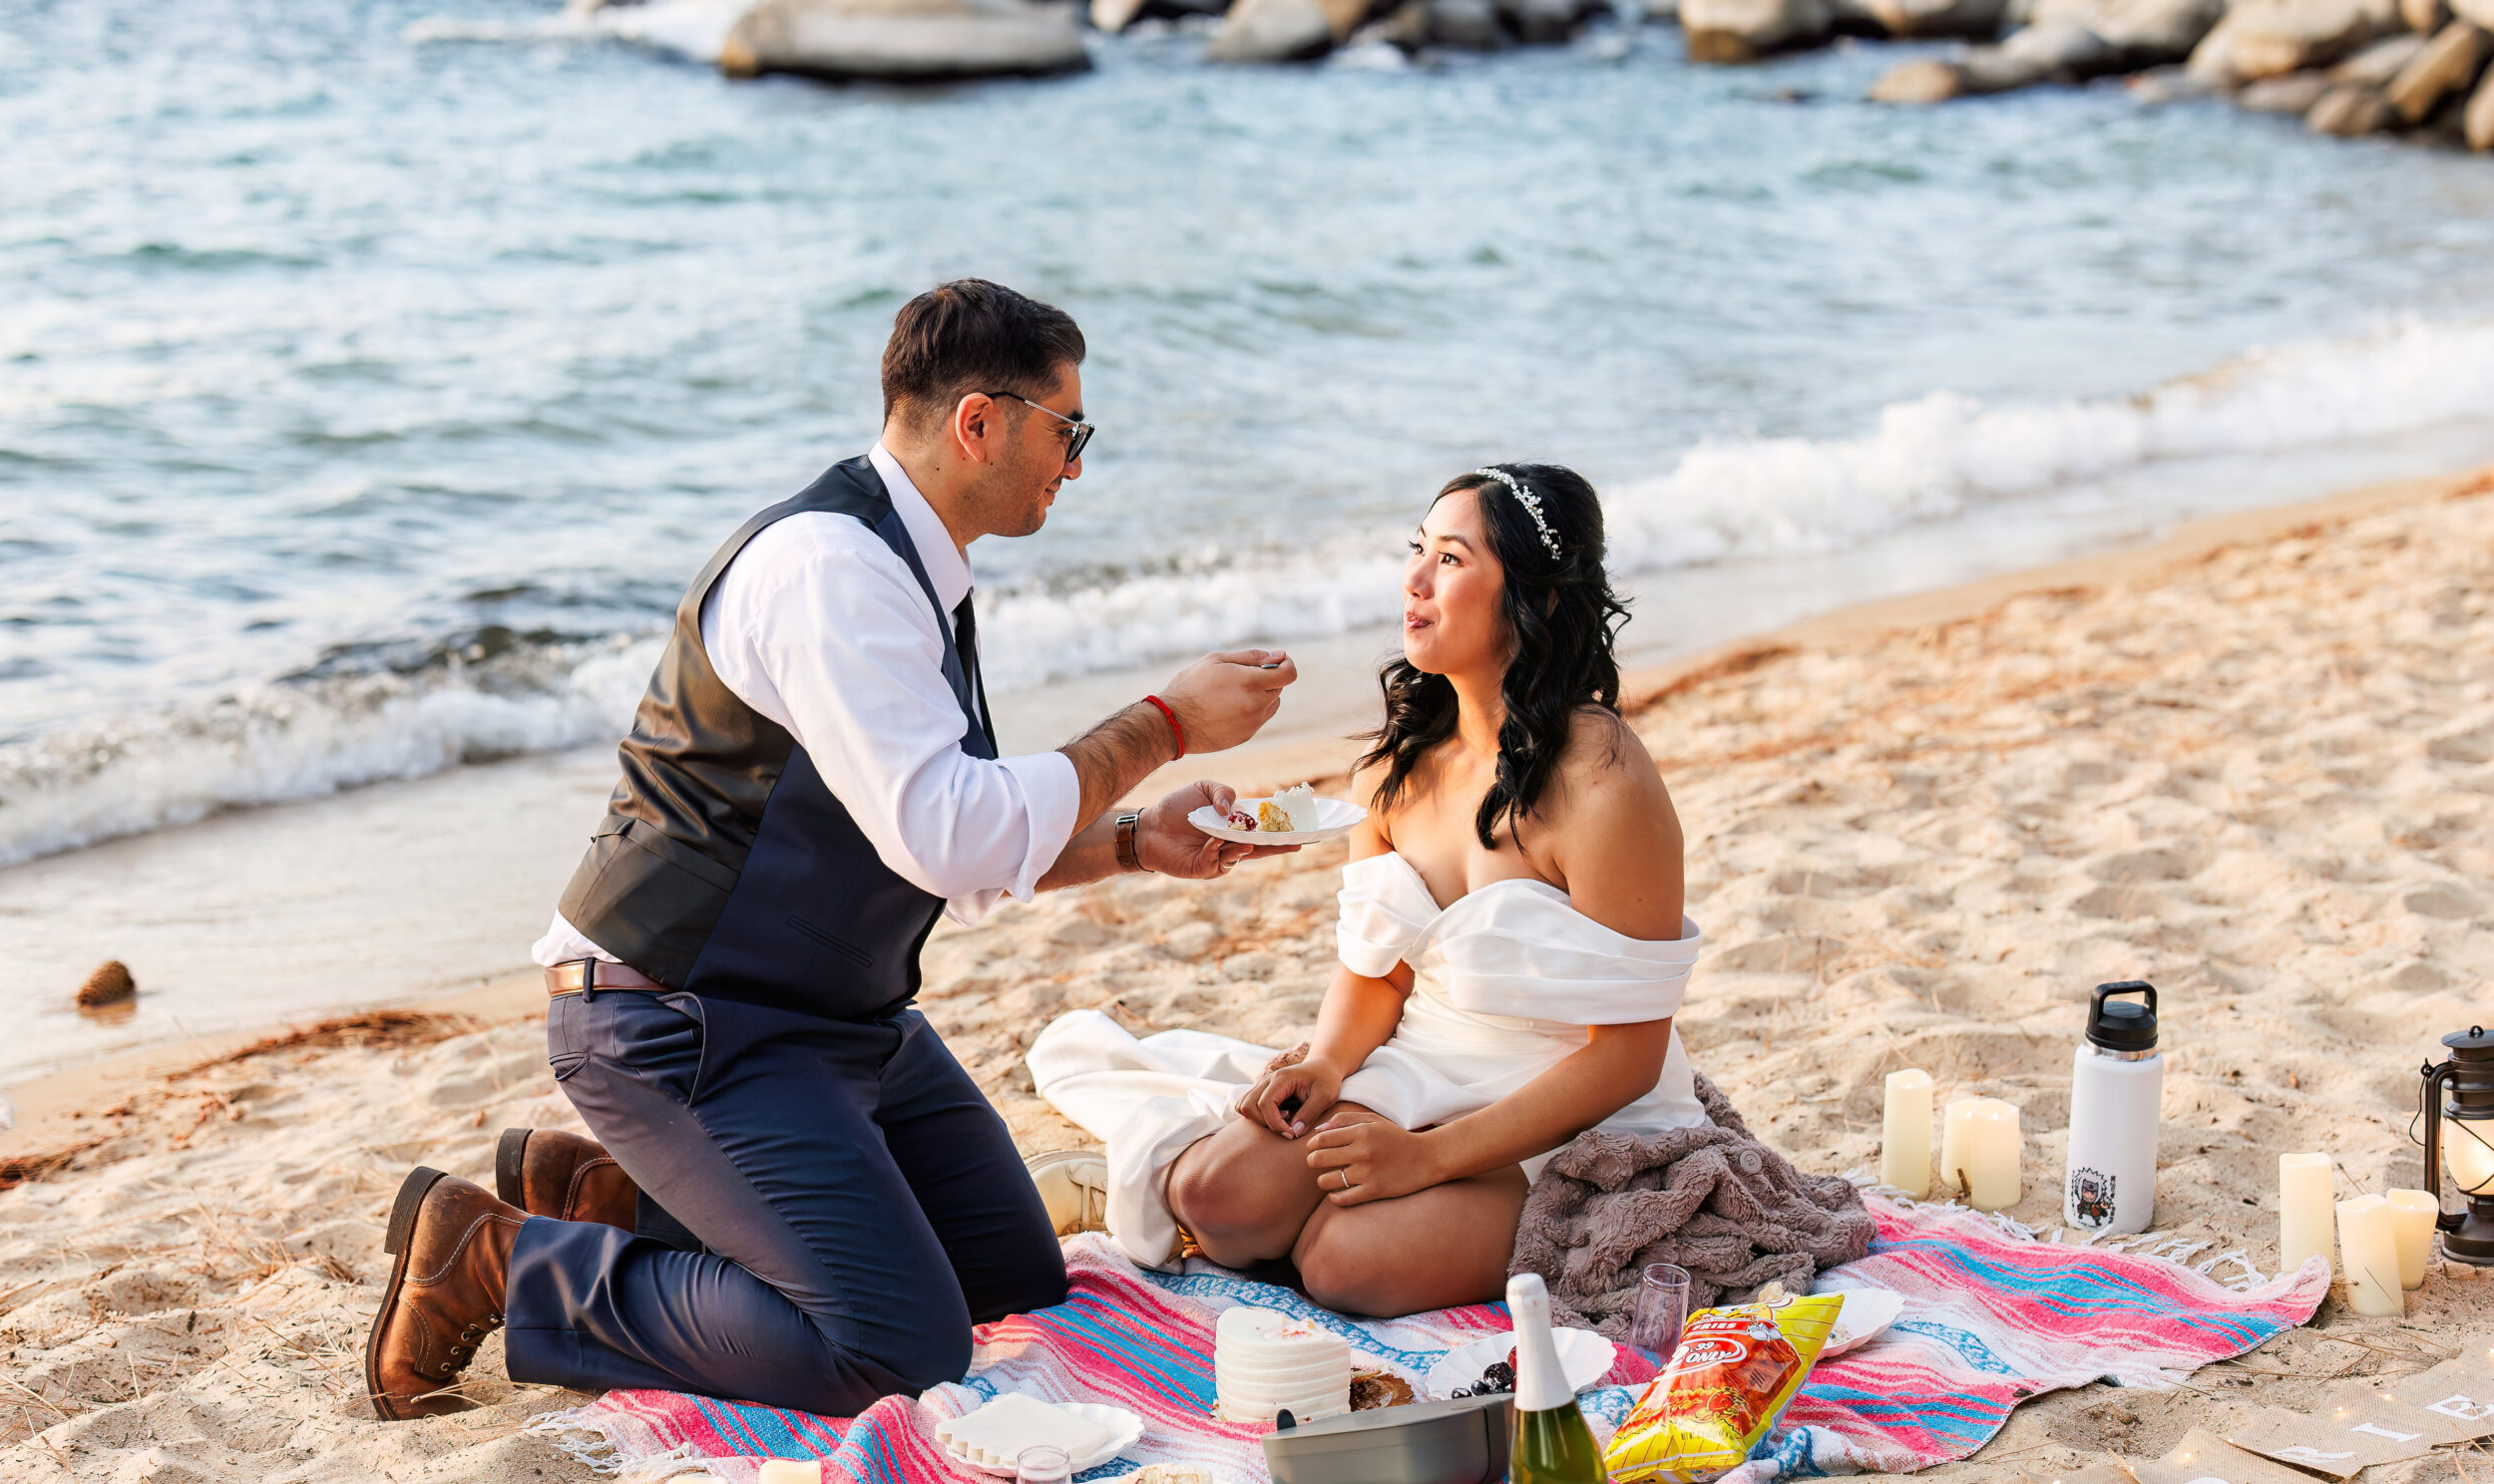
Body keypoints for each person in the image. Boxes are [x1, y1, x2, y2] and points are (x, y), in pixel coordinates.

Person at [364, 280, 1297, 1420]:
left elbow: (939, 826)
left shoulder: (913, 568)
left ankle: (615, 1197)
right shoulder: (832, 571)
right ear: (979, 422)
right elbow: (951, 834)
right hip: (680, 1022)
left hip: (835, 1022)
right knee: (893, 1345)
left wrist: (1135, 842)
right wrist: (1164, 724)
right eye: (1069, 431)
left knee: (1008, 1273)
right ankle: (503, 1260)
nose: (1076, 464)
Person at [1030, 464, 1707, 1318]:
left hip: (1572, 1108)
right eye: (1416, 550)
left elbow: (1628, 1053)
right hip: (1425, 1062)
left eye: (1451, 559)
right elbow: (1376, 972)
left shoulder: (1605, 781)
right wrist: (1327, 1062)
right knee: (1214, 1199)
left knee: (1344, 1263)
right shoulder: (1391, 770)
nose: (1414, 580)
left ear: (1537, 599)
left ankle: (1381, 1211)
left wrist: (1428, 1159)